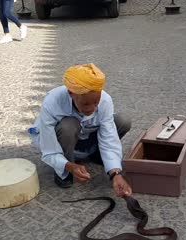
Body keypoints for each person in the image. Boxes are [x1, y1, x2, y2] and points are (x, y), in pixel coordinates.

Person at [29, 63, 133, 197]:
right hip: (65, 141)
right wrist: (69, 166)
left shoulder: (105, 100)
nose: (91, 108)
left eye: (96, 102)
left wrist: (116, 173)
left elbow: (109, 138)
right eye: (85, 104)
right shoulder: (53, 101)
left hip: (88, 138)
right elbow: (48, 146)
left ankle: (97, 154)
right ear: (71, 93)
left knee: (122, 121)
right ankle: (65, 169)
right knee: (68, 125)